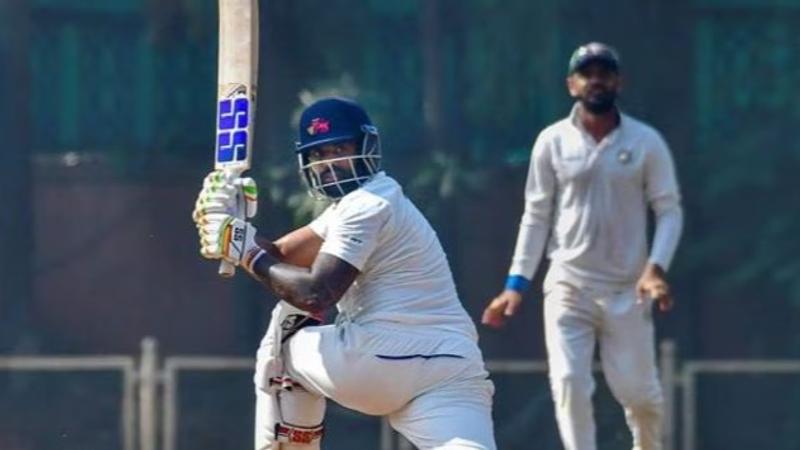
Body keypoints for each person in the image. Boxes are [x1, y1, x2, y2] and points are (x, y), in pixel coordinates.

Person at [192, 97, 496, 450]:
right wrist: (232, 222)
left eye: (339, 148)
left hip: (382, 355)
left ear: (367, 147)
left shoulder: (367, 204)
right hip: (452, 363)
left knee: (286, 331)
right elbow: (277, 257)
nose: (329, 163)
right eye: (318, 155)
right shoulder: (361, 204)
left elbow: (314, 293)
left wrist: (242, 246)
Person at [481, 43, 683, 450]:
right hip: (569, 285)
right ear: (571, 84)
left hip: (630, 288)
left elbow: (669, 210)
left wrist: (655, 266)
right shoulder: (552, 141)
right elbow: (536, 216)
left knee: (641, 398)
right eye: (587, 73)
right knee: (570, 381)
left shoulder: (646, 142)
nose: (596, 80)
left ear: (618, 81)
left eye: (605, 72)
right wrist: (515, 286)